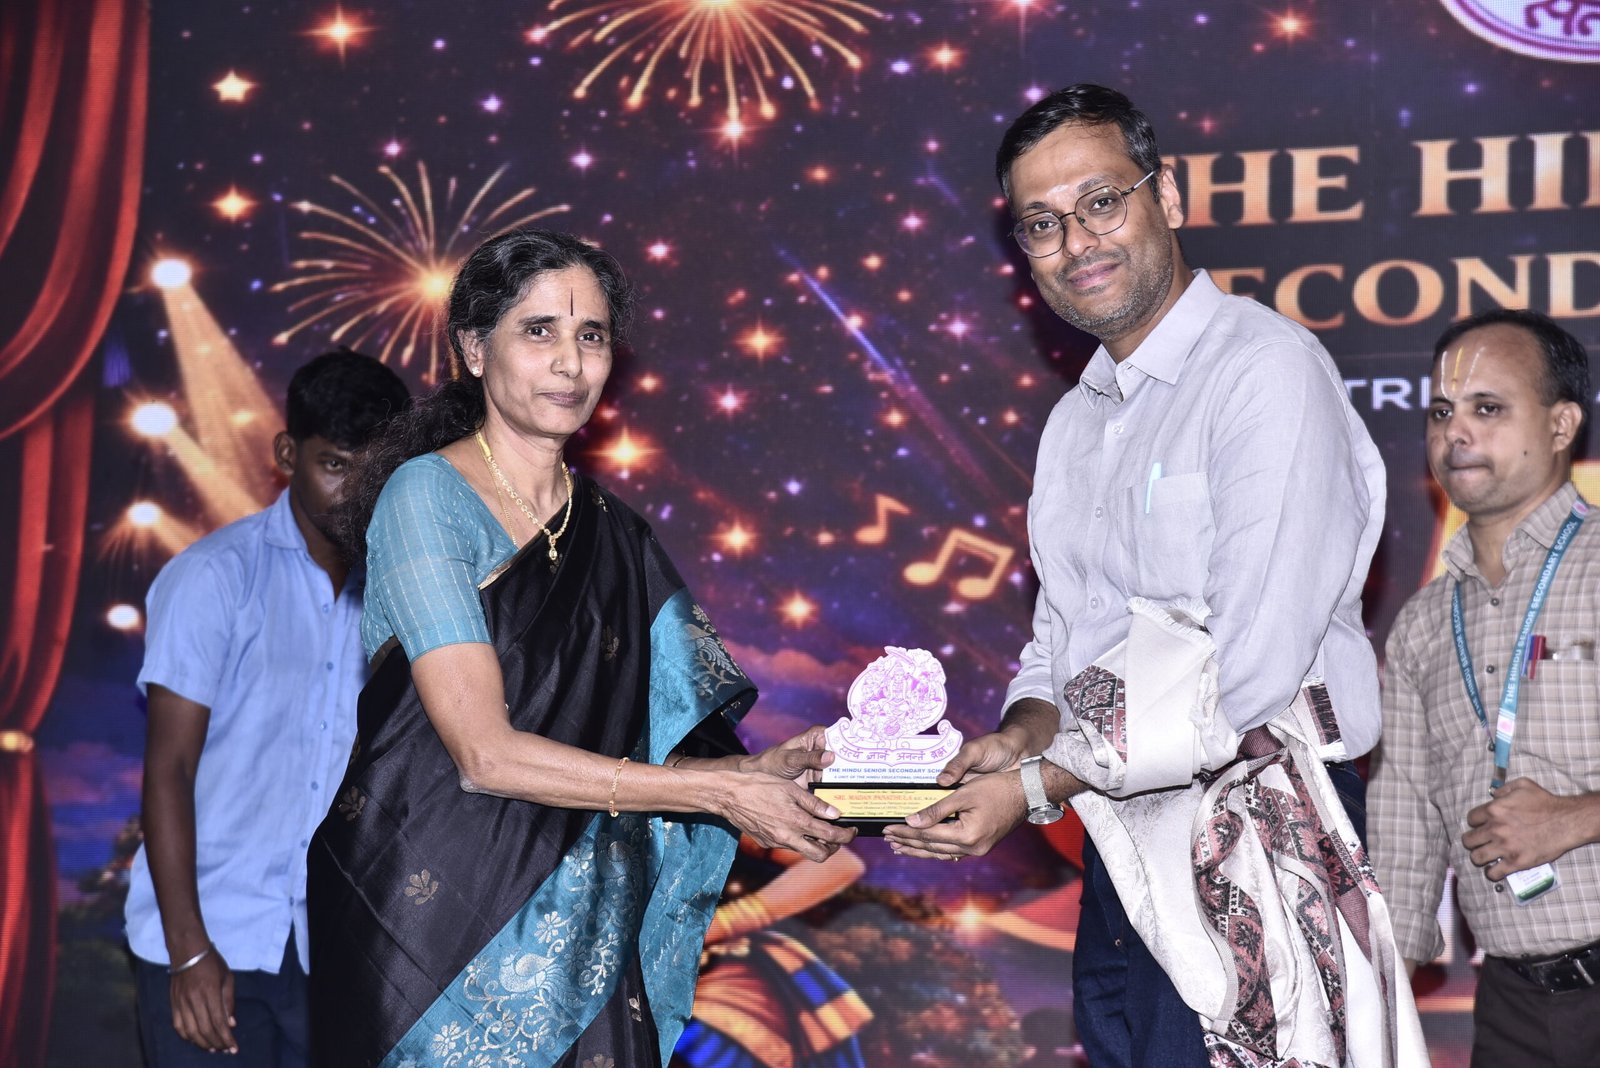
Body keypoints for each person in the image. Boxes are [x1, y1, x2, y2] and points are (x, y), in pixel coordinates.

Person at [883, 84, 1388, 1066]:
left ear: (1169, 196)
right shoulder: (1077, 420)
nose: (1077, 241)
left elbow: (1250, 671)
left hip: (1260, 829)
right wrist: (1018, 737)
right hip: (1119, 842)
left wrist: (1037, 784)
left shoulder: (1263, 370)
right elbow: (1062, 638)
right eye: (1042, 223)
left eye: (1101, 202)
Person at [306, 227, 856, 1068]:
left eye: (591, 336)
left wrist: (754, 773)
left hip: (582, 917)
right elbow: (484, 755)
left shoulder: (613, 532)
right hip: (430, 933)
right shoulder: (426, 498)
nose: (570, 363)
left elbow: (641, 743)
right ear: (474, 350)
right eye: (539, 331)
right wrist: (721, 795)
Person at [126, 350, 411, 1065]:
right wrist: (190, 953)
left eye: (375, 472)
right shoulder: (214, 577)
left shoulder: (404, 597)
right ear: (288, 454)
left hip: (335, 953)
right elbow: (168, 770)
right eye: (335, 465)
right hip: (210, 938)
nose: (355, 492)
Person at [1370, 309, 1600, 1066]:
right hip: (1511, 1008)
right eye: (1442, 412)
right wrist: (1376, 1001)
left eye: (1488, 408)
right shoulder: (1421, 624)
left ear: (1562, 424)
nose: (1456, 433)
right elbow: (1404, 833)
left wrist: (1577, 818)